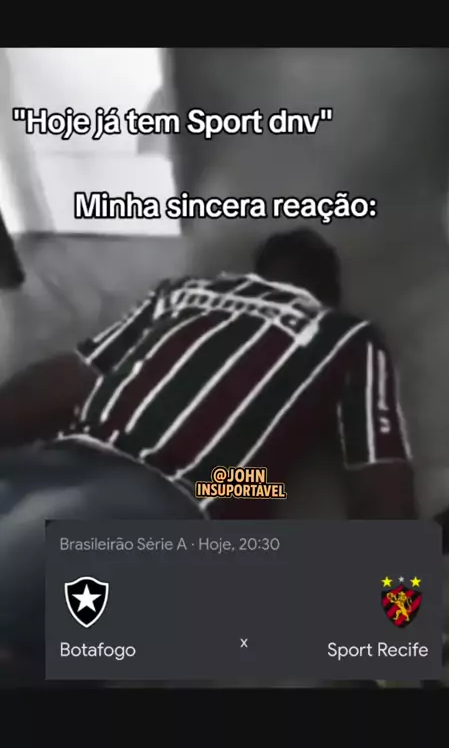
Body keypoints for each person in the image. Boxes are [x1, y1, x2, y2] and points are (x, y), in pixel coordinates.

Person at [0, 228, 416, 664]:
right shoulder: (180, 293)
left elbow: (379, 472)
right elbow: (380, 474)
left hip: (157, 489)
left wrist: (392, 618)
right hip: (70, 464)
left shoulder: (344, 335)